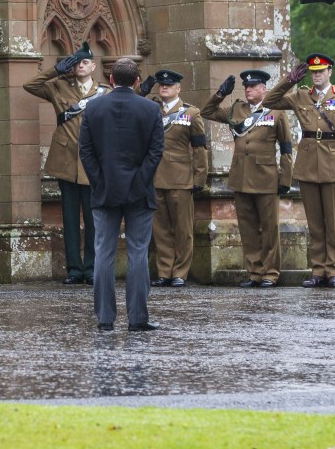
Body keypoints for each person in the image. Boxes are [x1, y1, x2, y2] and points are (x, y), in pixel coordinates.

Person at [79, 57, 164, 332]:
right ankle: (138, 318)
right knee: (138, 252)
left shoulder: (93, 108)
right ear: (138, 80)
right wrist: (140, 182)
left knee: (103, 252)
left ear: (111, 79)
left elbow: (86, 152)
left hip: (105, 190)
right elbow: (155, 152)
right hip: (139, 191)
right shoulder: (151, 109)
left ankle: (105, 318)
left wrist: (99, 181)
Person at [263, 54, 335, 288]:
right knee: (315, 222)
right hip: (308, 165)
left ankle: (334, 270)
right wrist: (288, 80)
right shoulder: (300, 95)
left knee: (334, 221)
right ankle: (318, 270)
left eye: (321, 71)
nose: (316, 75)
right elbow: (269, 101)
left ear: (330, 72)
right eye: (313, 72)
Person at [24, 42, 110, 285]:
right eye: (76, 63)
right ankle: (73, 268)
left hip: (94, 163)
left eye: (84, 63)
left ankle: (92, 268)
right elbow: (29, 85)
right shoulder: (58, 86)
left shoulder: (106, 92)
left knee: (94, 220)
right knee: (70, 218)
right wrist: (57, 70)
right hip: (66, 162)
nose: (80, 66)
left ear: (93, 66)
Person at [201, 70, 293, 288]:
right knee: (248, 227)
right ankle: (254, 272)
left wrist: (285, 180)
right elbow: (207, 112)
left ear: (264, 89)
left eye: (253, 86)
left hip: (266, 178)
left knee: (269, 228)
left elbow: (287, 148)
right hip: (241, 177)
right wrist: (220, 94)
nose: (249, 89)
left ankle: (270, 273)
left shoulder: (276, 111)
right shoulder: (236, 109)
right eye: (246, 87)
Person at [140, 69, 208, 287]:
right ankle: (164, 270)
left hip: (181, 178)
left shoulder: (191, 113)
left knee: (182, 228)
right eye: (161, 85)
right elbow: (130, 100)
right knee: (160, 228)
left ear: (178, 88)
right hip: (155, 176)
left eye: (168, 85)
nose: (164, 87)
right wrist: (145, 85)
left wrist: (200, 178)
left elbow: (199, 148)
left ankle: (180, 272)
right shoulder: (151, 109)